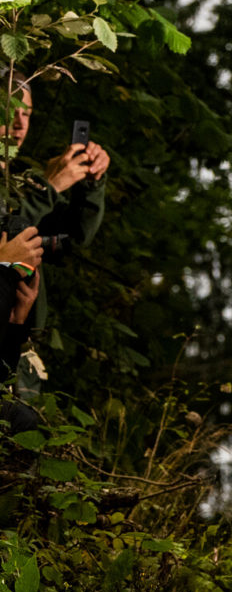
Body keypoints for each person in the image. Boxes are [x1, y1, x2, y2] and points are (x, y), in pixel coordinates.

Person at [0, 76, 111, 387]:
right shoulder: (36, 187)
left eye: (27, 114)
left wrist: (91, 185)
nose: (20, 124)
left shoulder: (22, 181)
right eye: (10, 110)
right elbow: (9, 237)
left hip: (20, 346)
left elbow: (74, 237)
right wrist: (48, 188)